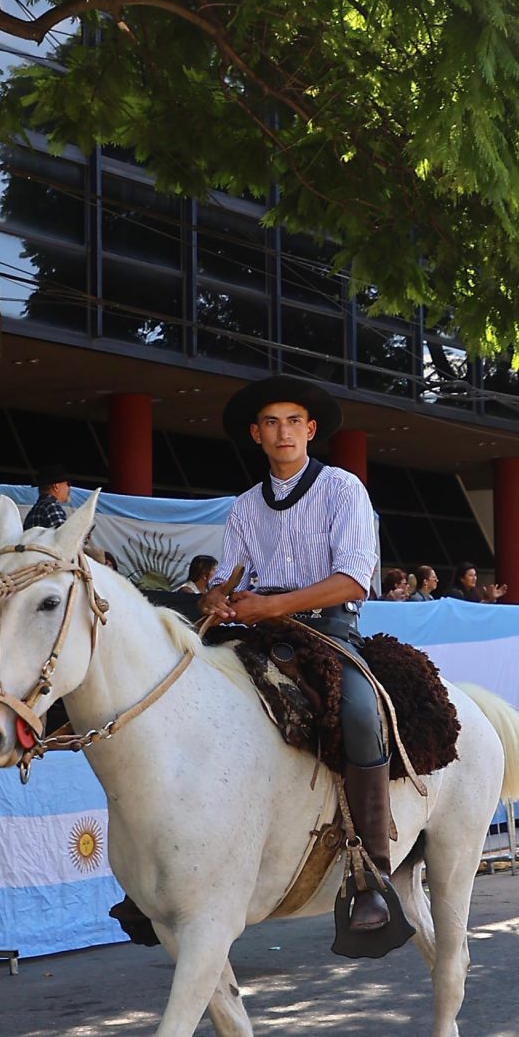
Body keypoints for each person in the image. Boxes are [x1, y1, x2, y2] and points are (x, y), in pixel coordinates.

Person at [199, 375, 406, 955]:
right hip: (261, 632)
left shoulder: (343, 488)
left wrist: (275, 605)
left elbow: (354, 578)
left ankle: (371, 876)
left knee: (360, 713)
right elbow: (228, 574)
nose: (283, 432)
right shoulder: (244, 506)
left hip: (330, 630)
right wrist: (214, 597)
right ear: (256, 435)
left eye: (293, 421)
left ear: (310, 430)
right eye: (271, 423)